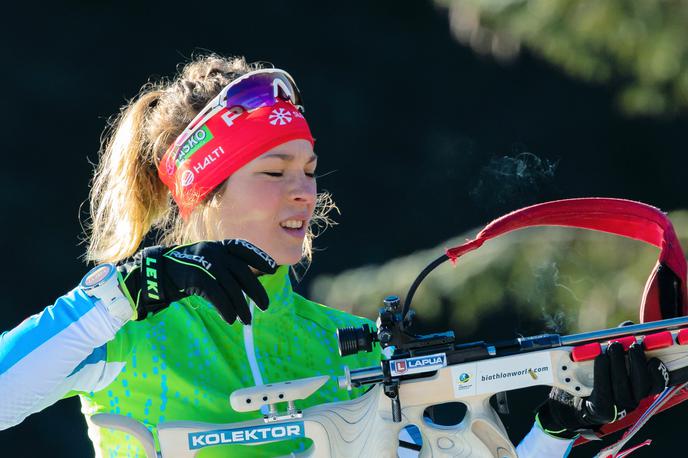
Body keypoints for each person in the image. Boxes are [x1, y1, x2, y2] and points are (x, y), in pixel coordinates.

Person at [0, 53, 670, 458]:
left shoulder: (339, 344)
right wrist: (123, 292)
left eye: (309, 167)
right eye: (273, 172)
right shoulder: (128, 330)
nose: (304, 191)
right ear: (203, 192)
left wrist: (559, 429)